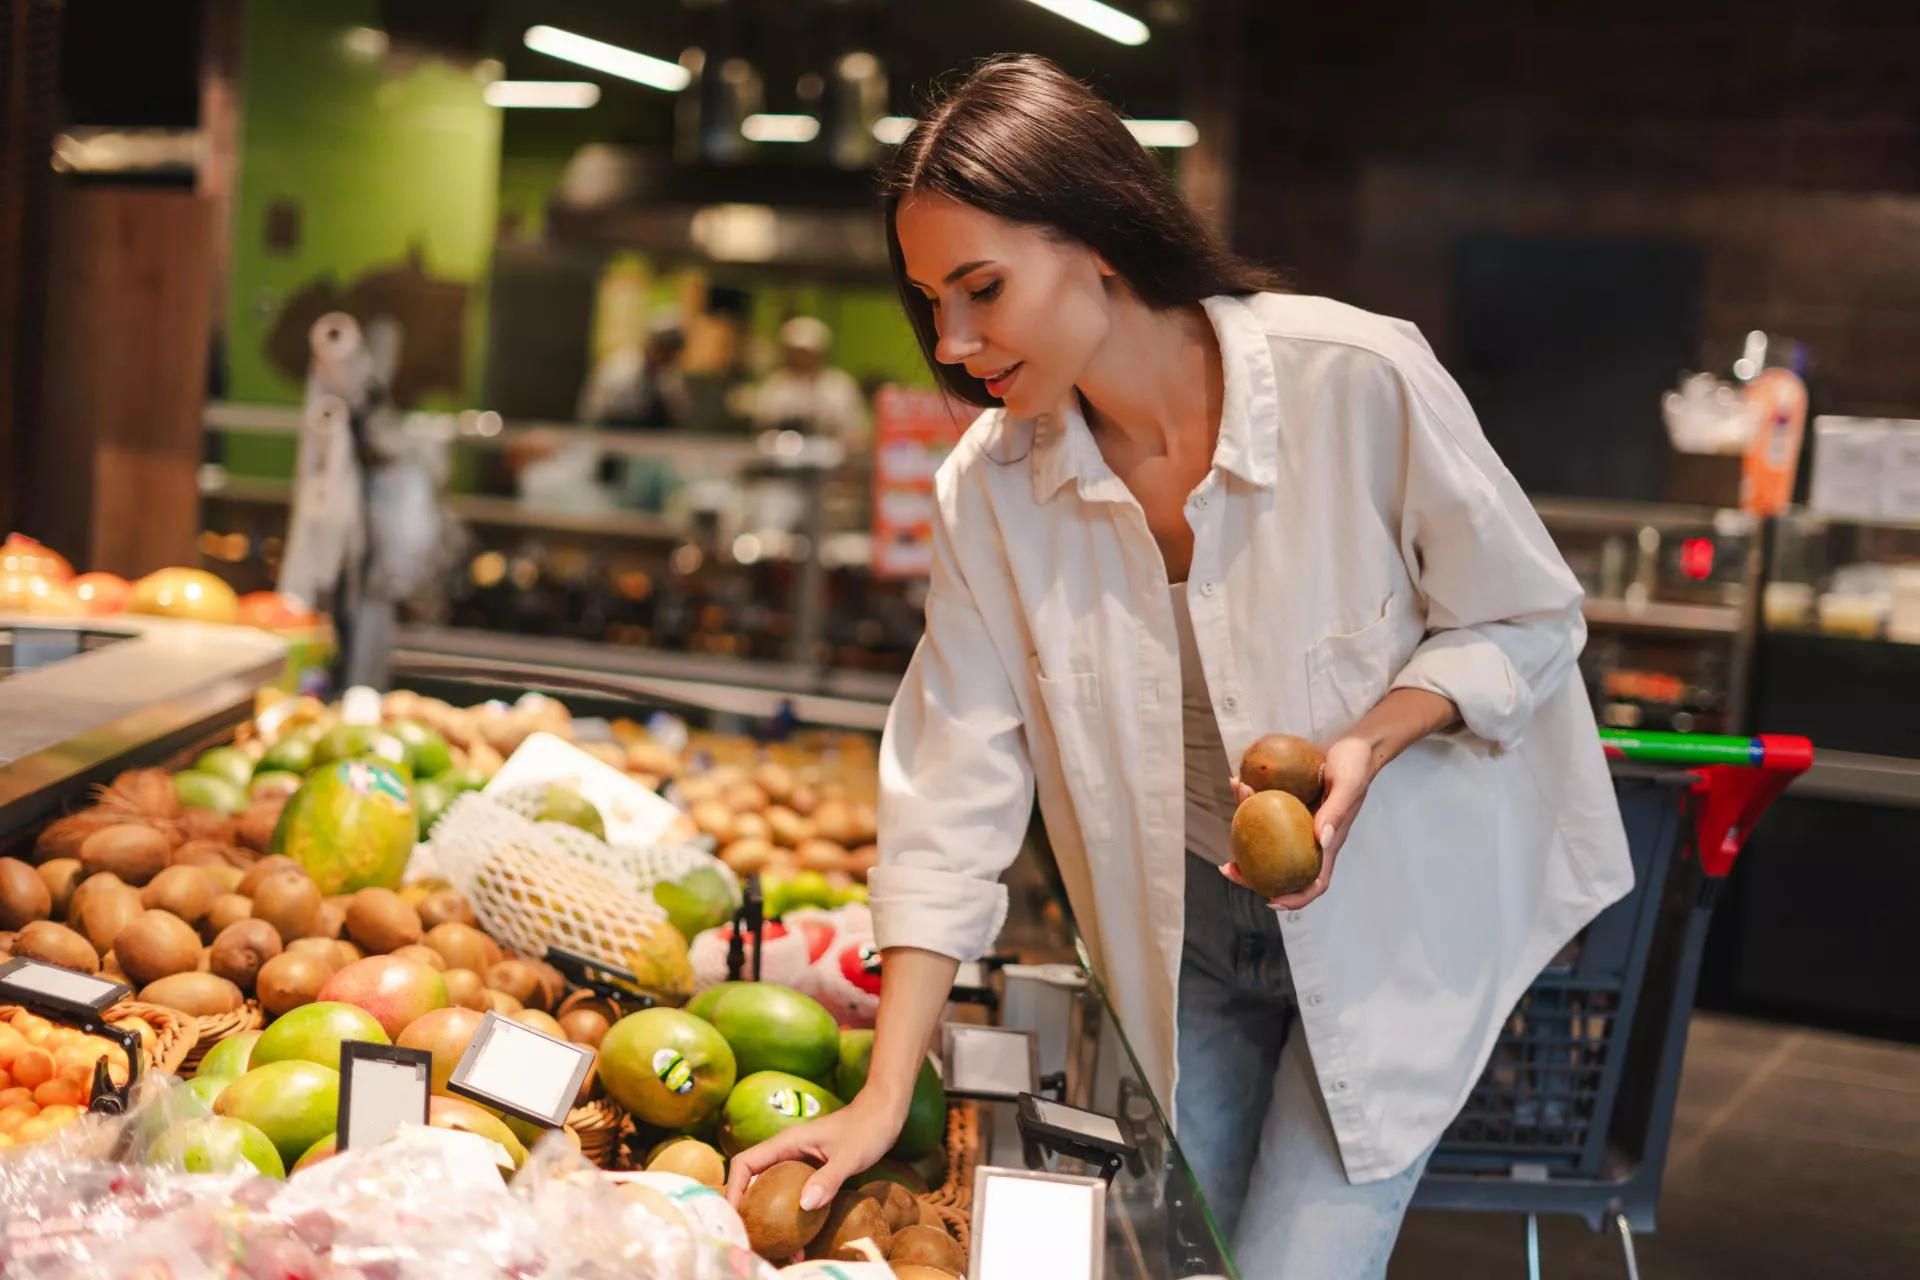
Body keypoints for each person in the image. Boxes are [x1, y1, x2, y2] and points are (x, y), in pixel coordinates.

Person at [724, 54, 1633, 1280]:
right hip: (1187, 933)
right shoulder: (991, 490)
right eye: (932, 300)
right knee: (1163, 1256)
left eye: (983, 288)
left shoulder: (1355, 379)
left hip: (1400, 914)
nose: (953, 339)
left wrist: (1373, 736)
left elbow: (1526, 617)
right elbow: (949, 788)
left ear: (1098, 236)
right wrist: (884, 1095)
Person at [750, 315, 870, 449]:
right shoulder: (774, 385)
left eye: (806, 352)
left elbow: (858, 431)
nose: (800, 358)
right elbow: (763, 428)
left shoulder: (840, 385)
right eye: (794, 352)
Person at [576, 307, 691, 430]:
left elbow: (679, 415)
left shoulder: (671, 379)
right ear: (650, 344)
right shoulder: (618, 370)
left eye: (673, 350)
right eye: (664, 348)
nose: (668, 355)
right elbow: (594, 415)